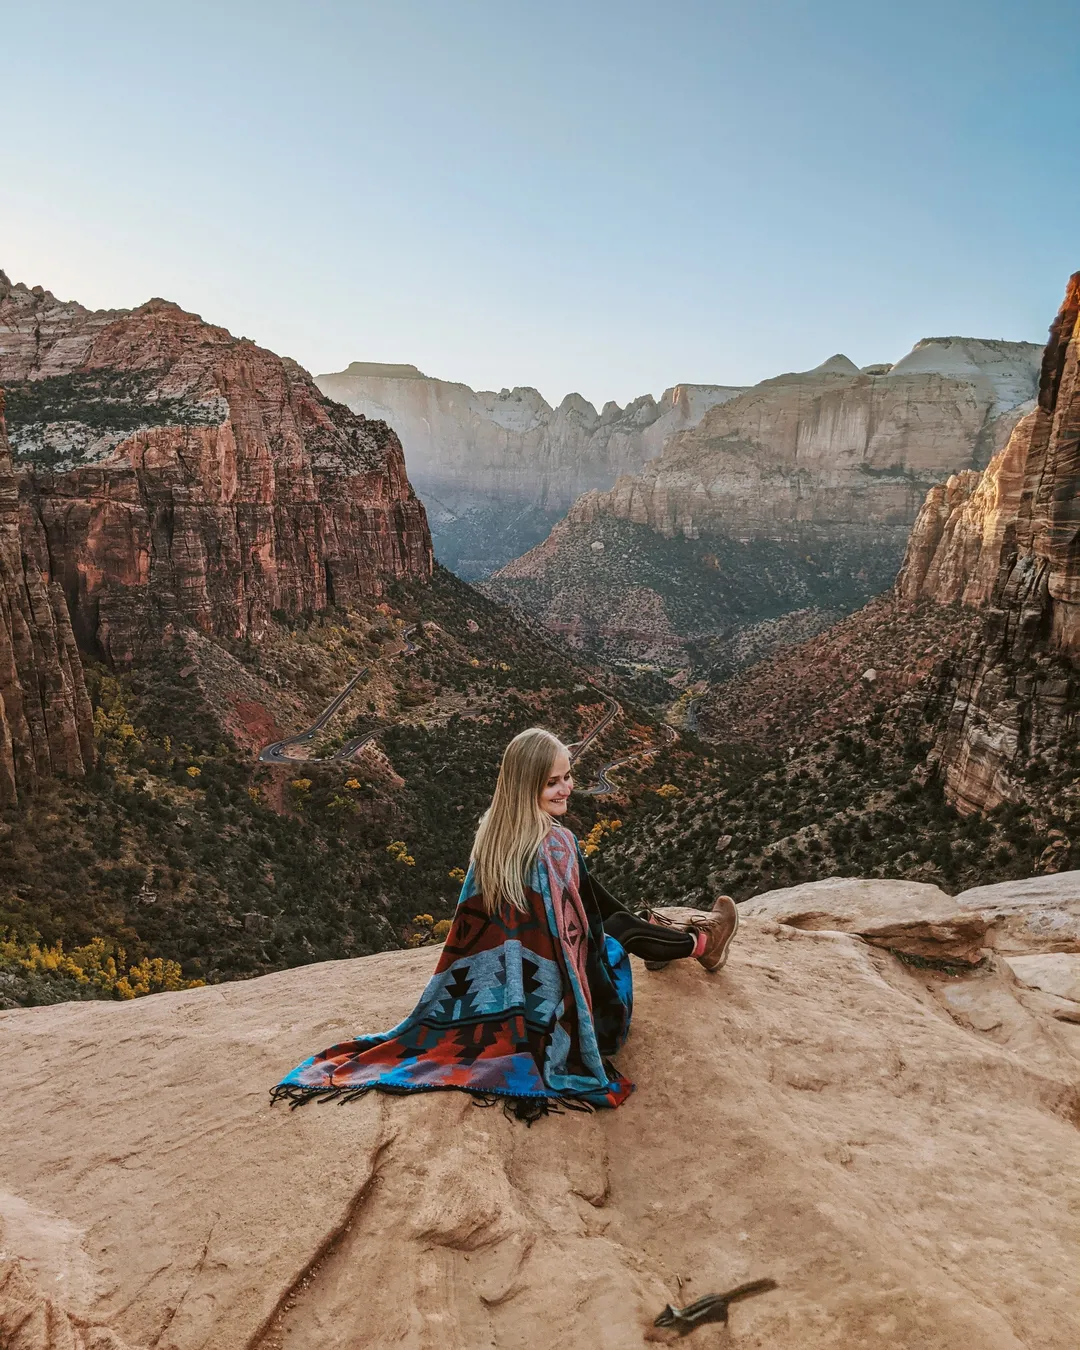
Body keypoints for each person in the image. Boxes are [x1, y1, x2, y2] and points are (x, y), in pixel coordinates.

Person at [271, 727, 739, 1122]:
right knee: (618, 937)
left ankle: (677, 936)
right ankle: (699, 942)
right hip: (559, 1005)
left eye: (568, 777)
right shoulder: (556, 845)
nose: (566, 788)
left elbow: (478, 930)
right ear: (525, 785)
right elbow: (587, 930)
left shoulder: (492, 835)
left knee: (615, 920)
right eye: (552, 782)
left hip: (497, 990)